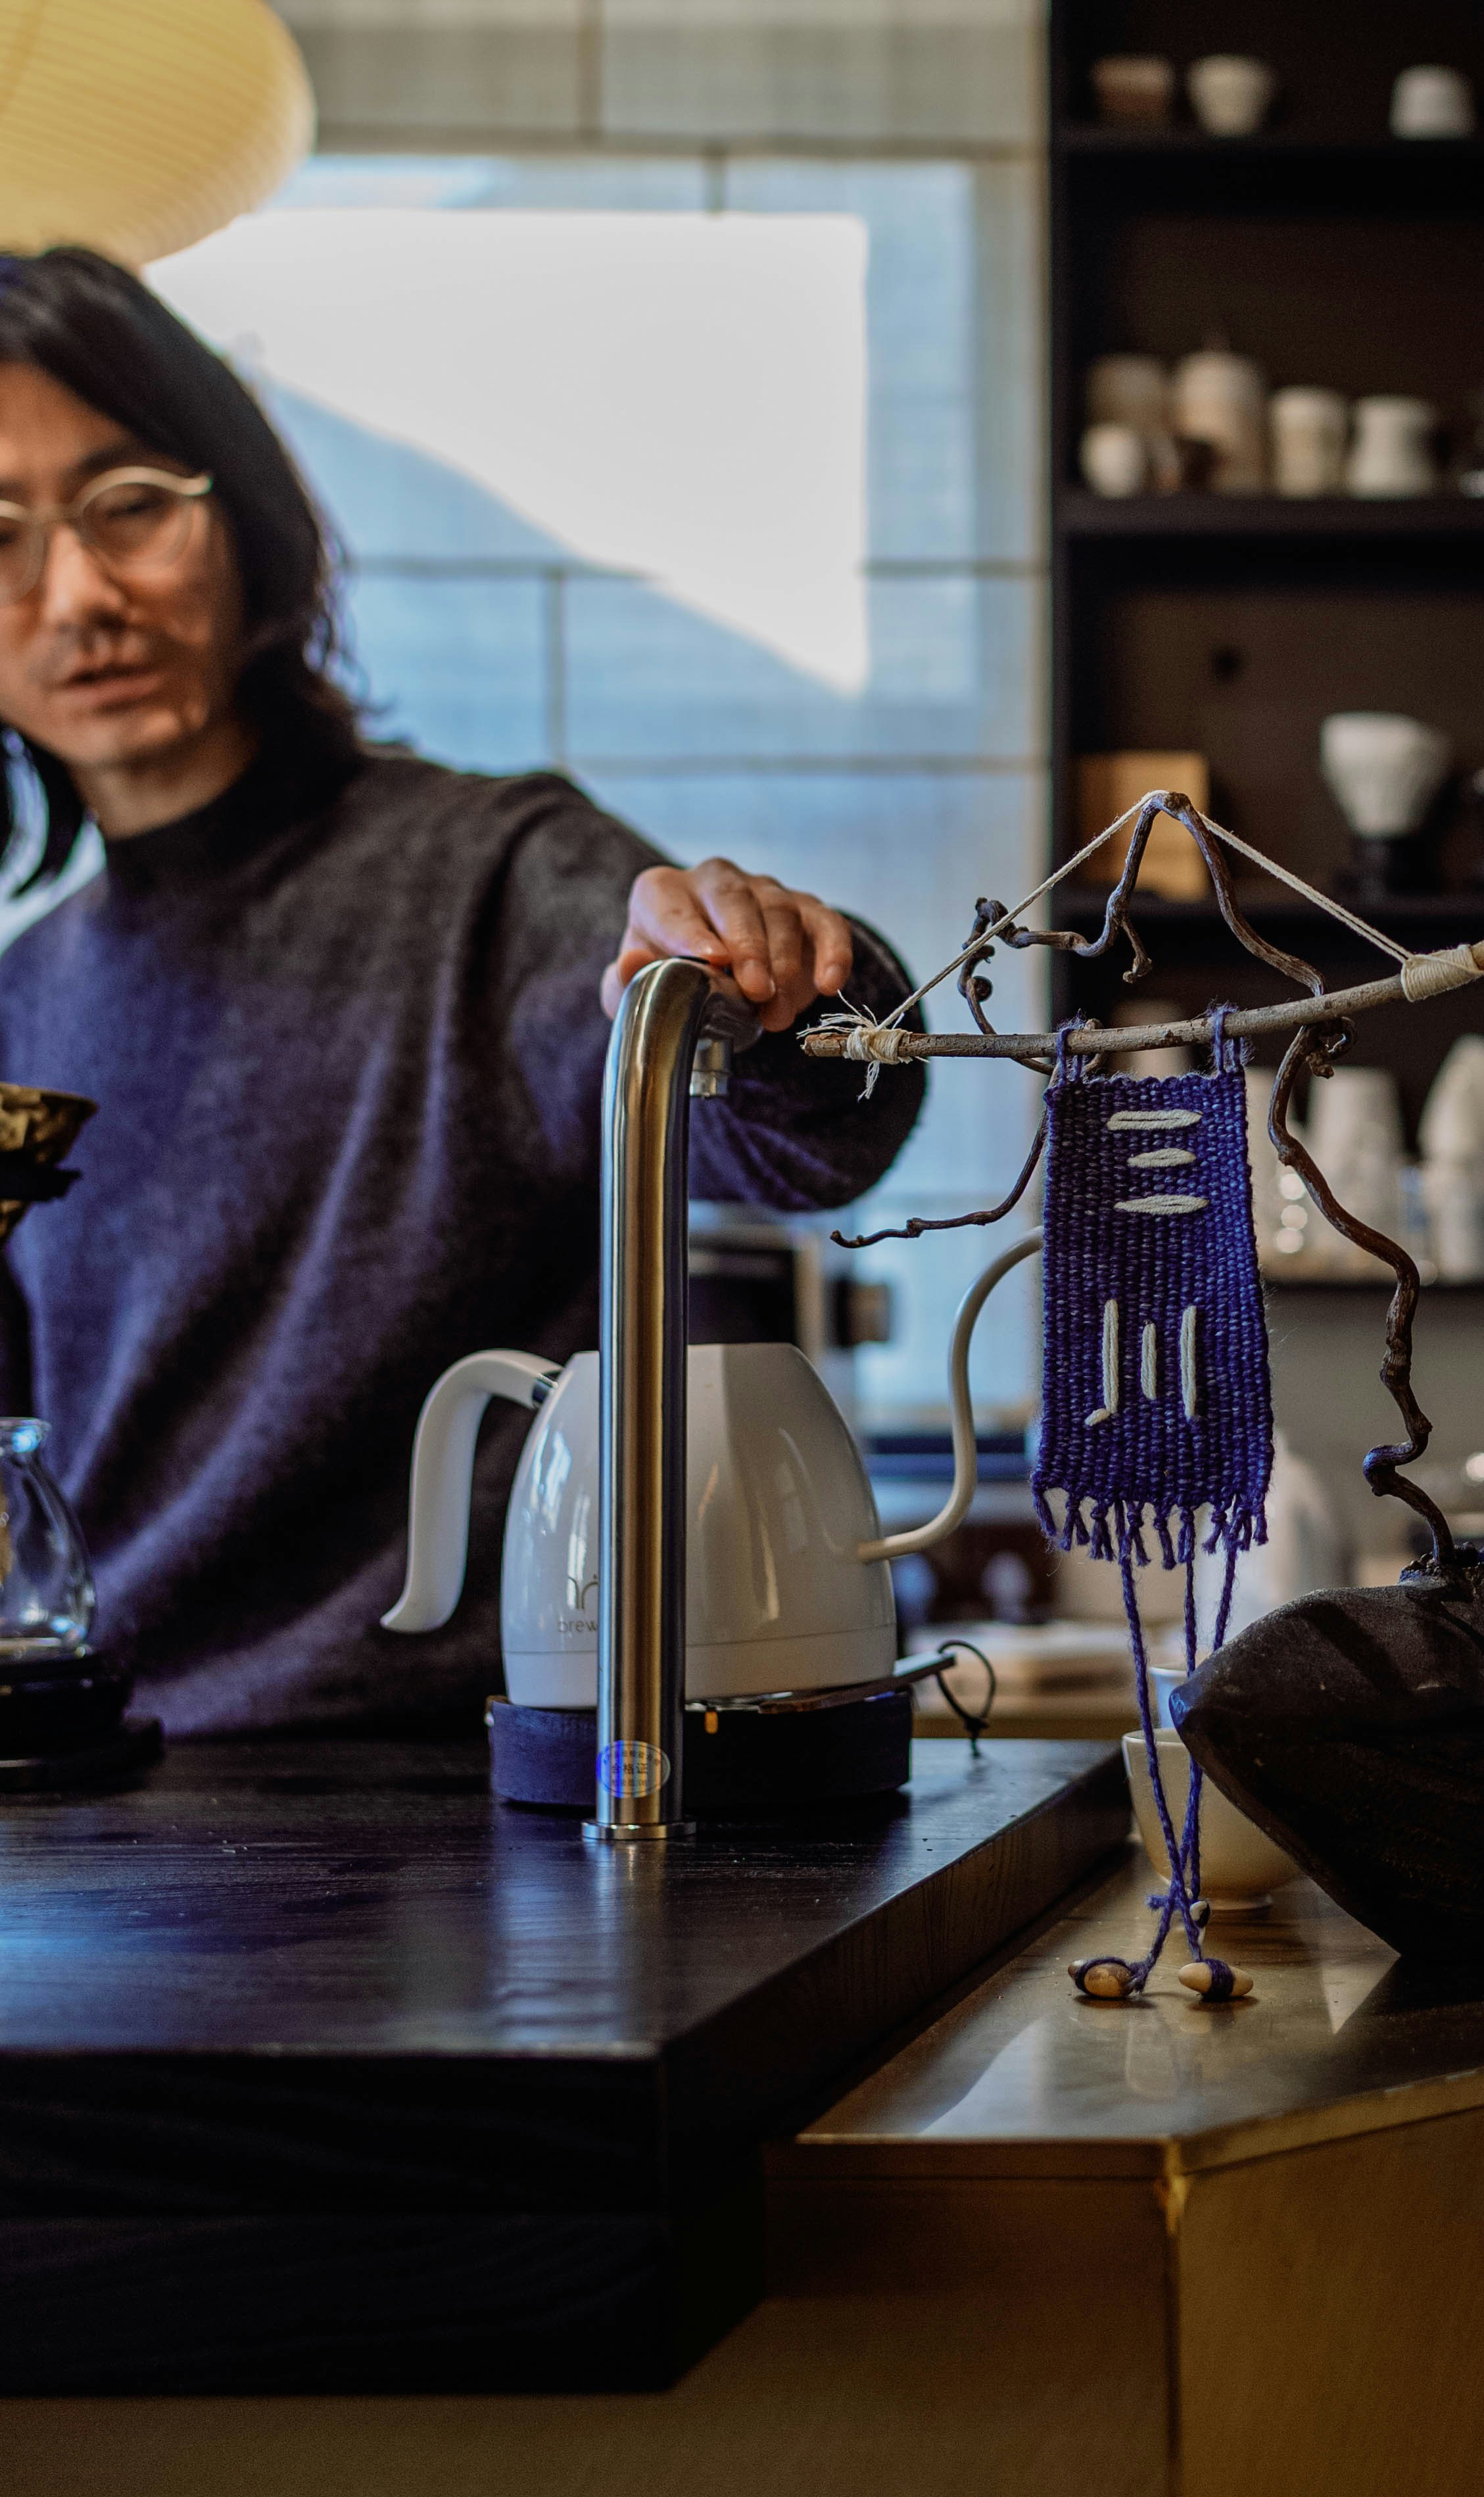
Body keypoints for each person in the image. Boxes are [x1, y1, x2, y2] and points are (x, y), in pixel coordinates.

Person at [0, 247, 925, 1733]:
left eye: (130, 507)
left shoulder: (496, 880)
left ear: (240, 515)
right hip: (112, 1804)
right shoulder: (23, 998)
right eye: (1, 535)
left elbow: (814, 1135)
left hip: (465, 1797)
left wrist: (785, 984)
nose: (79, 593)